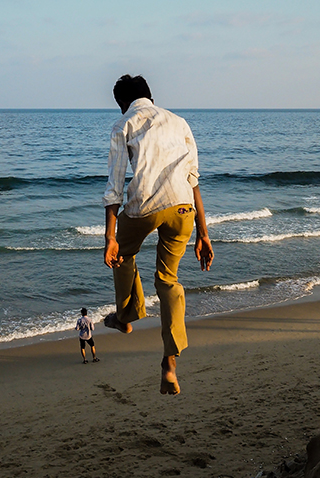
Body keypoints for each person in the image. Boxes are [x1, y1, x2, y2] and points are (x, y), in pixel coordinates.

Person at [102, 74, 214, 395]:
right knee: (168, 281)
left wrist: (111, 237)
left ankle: (127, 314)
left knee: (122, 254)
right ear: (150, 96)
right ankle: (170, 364)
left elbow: (114, 188)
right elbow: (193, 180)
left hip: (144, 207)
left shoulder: (124, 124)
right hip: (183, 211)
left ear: (124, 103)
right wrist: (203, 234)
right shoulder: (179, 123)